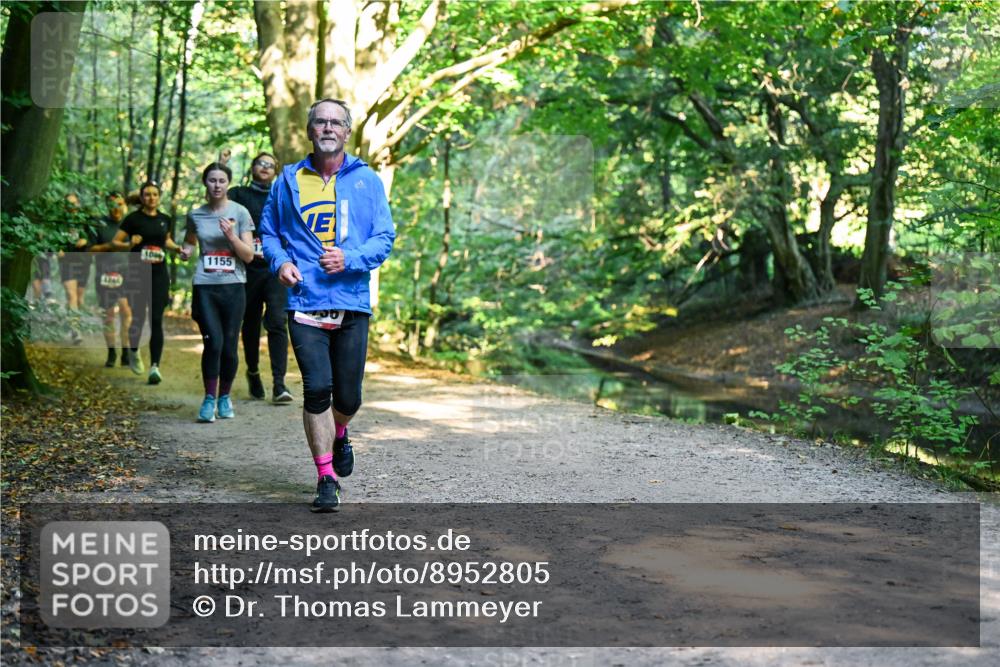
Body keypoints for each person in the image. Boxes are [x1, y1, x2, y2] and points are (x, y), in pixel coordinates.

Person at [260, 98, 395, 512]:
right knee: (317, 388)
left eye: (336, 122)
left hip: (352, 301)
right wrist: (280, 263)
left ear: (347, 131)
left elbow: (384, 238)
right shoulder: (288, 181)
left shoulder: (367, 181)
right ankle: (325, 478)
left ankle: (340, 433)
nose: (328, 128)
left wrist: (349, 259)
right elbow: (269, 232)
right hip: (305, 299)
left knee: (348, 398)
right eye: (320, 122)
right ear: (309, 130)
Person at [180, 162, 255, 423]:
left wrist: (231, 236)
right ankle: (209, 398)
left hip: (234, 286)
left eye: (222, 180)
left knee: (230, 346)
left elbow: (248, 256)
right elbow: (190, 242)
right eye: (212, 180)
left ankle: (225, 397)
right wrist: (186, 251)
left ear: (228, 183)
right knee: (213, 342)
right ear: (205, 182)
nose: (217, 185)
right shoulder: (195, 215)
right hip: (205, 287)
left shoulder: (240, 212)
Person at [228, 152, 293, 403]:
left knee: (277, 321)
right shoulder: (239, 194)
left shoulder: (282, 196)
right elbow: (218, 203)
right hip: (247, 268)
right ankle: (253, 371)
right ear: (252, 167)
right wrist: (221, 165)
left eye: (270, 165)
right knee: (251, 322)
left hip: (275, 269)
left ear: (275, 171)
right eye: (261, 163)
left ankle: (279, 384)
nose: (265, 168)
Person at [113, 181, 183, 383]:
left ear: (159, 197)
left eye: (155, 194)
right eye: (147, 194)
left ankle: (155, 367)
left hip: (159, 274)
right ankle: (134, 350)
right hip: (137, 273)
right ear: (142, 198)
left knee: (156, 319)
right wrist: (129, 243)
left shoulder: (165, 219)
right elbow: (116, 242)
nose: (151, 198)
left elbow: (166, 240)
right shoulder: (133, 219)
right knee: (138, 317)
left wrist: (177, 248)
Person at [88, 192, 132, 367]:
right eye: (113, 205)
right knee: (108, 316)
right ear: (107, 206)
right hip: (105, 275)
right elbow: (90, 250)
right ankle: (112, 352)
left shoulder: (130, 224)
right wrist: (109, 246)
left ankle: (126, 352)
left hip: (127, 274)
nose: (116, 208)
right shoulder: (99, 224)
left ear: (124, 205)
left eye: (120, 204)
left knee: (126, 312)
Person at [57, 193, 91, 342]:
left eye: (74, 203)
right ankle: (76, 331)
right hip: (66, 262)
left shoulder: (84, 221)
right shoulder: (59, 221)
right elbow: (52, 240)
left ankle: (72, 322)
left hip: (83, 262)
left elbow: (92, 238)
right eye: (68, 203)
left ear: (78, 204)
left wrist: (86, 240)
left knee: (79, 299)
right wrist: (57, 249)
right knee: (72, 295)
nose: (72, 206)